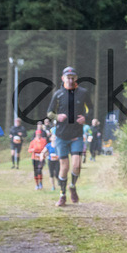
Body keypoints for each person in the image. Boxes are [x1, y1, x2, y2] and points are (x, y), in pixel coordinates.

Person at [46, 66, 93, 206]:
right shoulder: (58, 94)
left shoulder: (83, 93)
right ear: (63, 78)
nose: (70, 80)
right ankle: (62, 195)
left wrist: (85, 118)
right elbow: (49, 112)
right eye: (68, 77)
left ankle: (72, 186)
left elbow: (91, 109)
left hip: (77, 135)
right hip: (61, 135)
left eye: (73, 77)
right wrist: (57, 116)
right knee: (64, 167)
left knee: (77, 164)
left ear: (76, 78)